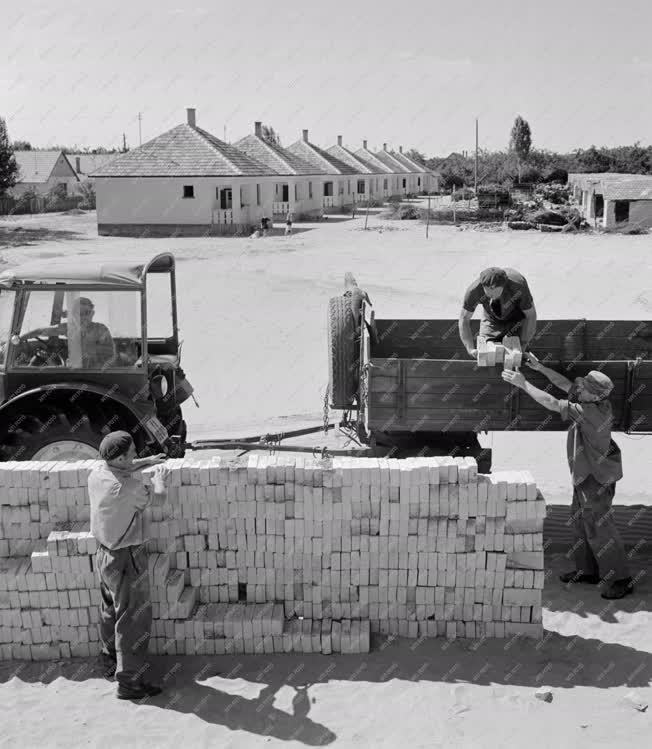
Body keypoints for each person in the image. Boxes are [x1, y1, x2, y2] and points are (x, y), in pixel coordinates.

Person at [502, 356, 633, 600]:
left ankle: (620, 579)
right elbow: (565, 385)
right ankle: (589, 571)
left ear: (594, 396)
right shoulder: (590, 399)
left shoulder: (590, 412)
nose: (578, 387)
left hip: (597, 477)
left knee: (600, 527)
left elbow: (552, 402)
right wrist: (540, 367)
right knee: (580, 521)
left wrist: (524, 384)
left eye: (582, 387)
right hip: (585, 473)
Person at [89, 431, 170, 699]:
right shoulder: (128, 489)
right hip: (127, 559)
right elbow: (158, 499)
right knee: (132, 618)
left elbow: (123, 468)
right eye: (133, 452)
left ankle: (108, 659)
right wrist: (159, 480)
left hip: (103, 554)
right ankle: (130, 683)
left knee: (109, 609)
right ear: (121, 458)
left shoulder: (98, 473)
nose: (136, 454)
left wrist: (148, 460)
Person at [459, 267, 537, 359]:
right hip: (491, 318)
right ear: (482, 285)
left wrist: (523, 344)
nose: (491, 293)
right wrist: (470, 349)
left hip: (517, 317)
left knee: (516, 355)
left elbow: (531, 316)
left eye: (494, 290)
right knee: (487, 355)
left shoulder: (518, 286)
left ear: (504, 286)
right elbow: (464, 319)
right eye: (488, 291)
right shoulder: (474, 291)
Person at [33, 296, 115, 368]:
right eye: (78, 313)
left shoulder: (100, 330)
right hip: (72, 370)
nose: (82, 317)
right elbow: (39, 331)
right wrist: (20, 338)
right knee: (38, 360)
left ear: (92, 314)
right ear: (73, 314)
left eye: (86, 313)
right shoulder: (69, 328)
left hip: (94, 373)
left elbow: (109, 356)